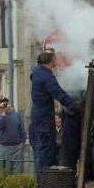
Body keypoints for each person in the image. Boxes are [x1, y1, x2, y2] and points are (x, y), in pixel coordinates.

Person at [30, 50, 77, 179]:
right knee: (46, 149)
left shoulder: (38, 73)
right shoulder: (46, 76)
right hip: (44, 116)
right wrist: (73, 106)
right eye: (55, 59)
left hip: (39, 115)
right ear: (50, 61)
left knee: (43, 148)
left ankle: (43, 179)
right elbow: (58, 93)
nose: (56, 61)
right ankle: (45, 182)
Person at [0, 97, 27, 175]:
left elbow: (22, 130)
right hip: (3, 147)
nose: (5, 106)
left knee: (17, 171)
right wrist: (3, 114)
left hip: (16, 147)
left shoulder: (17, 115)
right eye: (3, 105)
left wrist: (22, 143)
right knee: (4, 171)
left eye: (6, 104)